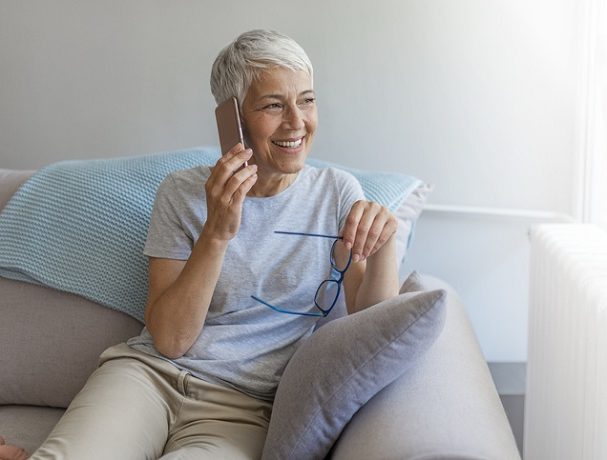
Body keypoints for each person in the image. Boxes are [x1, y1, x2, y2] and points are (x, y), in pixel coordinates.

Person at [21, 29, 399, 460]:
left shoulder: (335, 194)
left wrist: (386, 244)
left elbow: (374, 330)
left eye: (307, 100)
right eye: (273, 105)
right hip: (147, 377)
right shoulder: (182, 193)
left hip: (244, 404)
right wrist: (217, 232)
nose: (297, 121)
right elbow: (170, 339)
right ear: (232, 118)